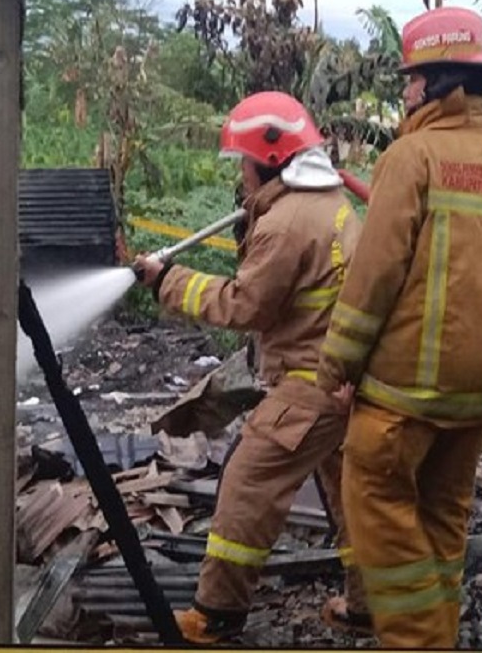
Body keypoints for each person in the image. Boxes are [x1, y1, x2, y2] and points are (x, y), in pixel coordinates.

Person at [314, 6, 482, 648]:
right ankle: (438, 637)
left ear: (440, 83)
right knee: (442, 526)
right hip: (473, 398)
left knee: (379, 513)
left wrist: (337, 366)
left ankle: (418, 642)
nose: (404, 91)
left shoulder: (410, 157)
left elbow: (372, 279)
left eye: (411, 80)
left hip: (400, 397)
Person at [132, 90, 370, 644]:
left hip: (309, 387)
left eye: (243, 162)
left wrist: (168, 280)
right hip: (341, 384)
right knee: (349, 497)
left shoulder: (287, 223)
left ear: (270, 159)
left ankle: (215, 613)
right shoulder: (329, 203)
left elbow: (245, 305)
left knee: (246, 486)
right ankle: (367, 607)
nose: (240, 175)